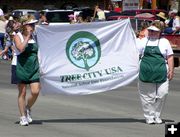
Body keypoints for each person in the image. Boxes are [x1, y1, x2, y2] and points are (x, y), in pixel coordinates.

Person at [137, 21, 174, 124]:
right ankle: (149, 116)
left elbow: (170, 57)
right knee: (147, 97)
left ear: (159, 32)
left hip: (162, 72)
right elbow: (135, 54)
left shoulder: (164, 42)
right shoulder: (143, 41)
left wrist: (171, 70)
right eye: (150, 31)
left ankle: (157, 115)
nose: (152, 33)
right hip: (145, 73)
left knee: (163, 93)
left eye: (155, 31)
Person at [13, 14, 40, 126]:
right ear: (24, 25)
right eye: (31, 24)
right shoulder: (17, 36)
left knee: (35, 91)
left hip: (34, 67)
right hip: (21, 66)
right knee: (22, 92)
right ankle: (22, 116)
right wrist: (28, 37)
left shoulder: (36, 36)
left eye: (34, 24)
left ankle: (27, 108)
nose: (33, 26)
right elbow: (20, 48)